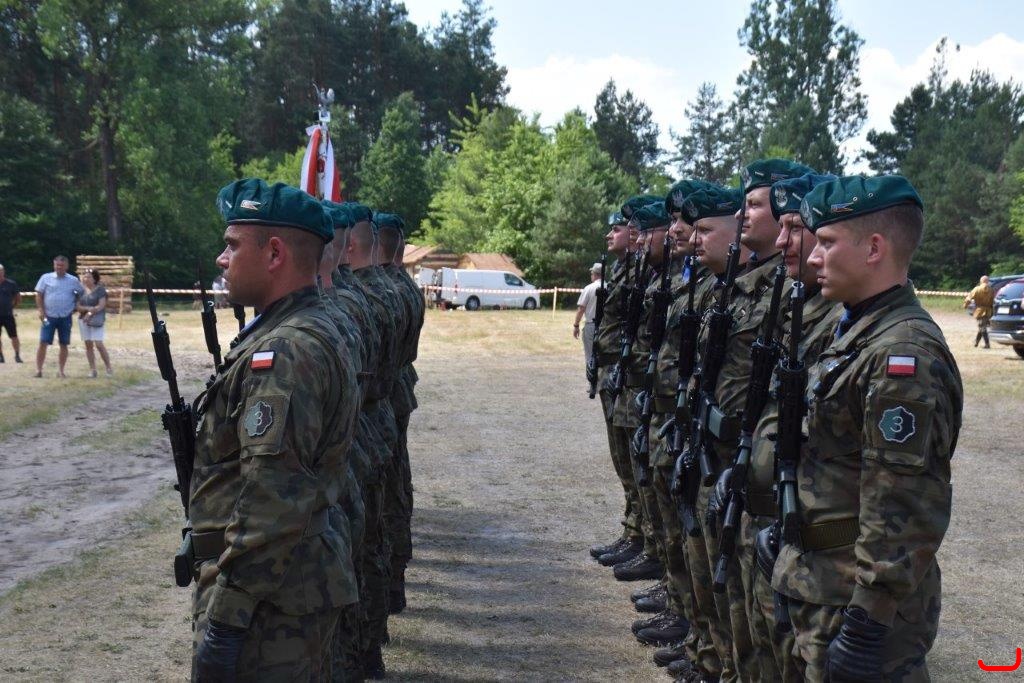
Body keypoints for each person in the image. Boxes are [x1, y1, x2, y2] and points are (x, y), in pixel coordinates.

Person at [772, 174, 963, 681]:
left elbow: (904, 505)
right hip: (822, 583)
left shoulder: (903, 355)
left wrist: (866, 623)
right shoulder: (860, 331)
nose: (814, 257)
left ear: (874, 248)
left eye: (828, 243)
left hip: (856, 605)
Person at [189, 178, 360, 681]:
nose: (222, 258)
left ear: (275, 253)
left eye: (232, 244)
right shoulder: (300, 327)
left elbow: (272, 497)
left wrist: (225, 622)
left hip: (270, 604)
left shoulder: (285, 351)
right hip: (284, 587)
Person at [33, 255, 84, 378]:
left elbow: (81, 294)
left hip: (65, 317)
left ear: (67, 266)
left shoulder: (73, 280)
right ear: (54, 265)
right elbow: (39, 294)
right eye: (57, 265)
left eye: (61, 265)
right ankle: (39, 370)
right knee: (43, 342)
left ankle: (61, 371)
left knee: (64, 343)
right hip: (47, 317)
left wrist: (76, 306)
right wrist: (41, 310)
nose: (59, 267)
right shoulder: (45, 278)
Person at [76, 269, 113, 377]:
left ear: (94, 279)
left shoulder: (100, 290)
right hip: (83, 320)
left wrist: (90, 313)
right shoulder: (80, 290)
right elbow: (78, 306)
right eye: (85, 276)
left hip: (97, 320)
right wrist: (88, 309)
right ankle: (93, 370)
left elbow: (101, 305)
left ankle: (108, 367)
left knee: (99, 344)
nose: (86, 279)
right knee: (88, 345)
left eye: (89, 277)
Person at [573, 262, 603, 370]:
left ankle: (591, 378)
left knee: (590, 356)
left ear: (594, 274)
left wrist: (576, 325)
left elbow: (581, 309)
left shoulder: (589, 288)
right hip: (606, 326)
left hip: (591, 325)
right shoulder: (609, 287)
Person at [964, 275, 995, 348]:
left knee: (982, 327)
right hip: (988, 311)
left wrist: (965, 305)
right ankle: (976, 342)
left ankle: (987, 344)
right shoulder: (991, 290)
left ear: (981, 281)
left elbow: (969, 299)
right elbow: (992, 301)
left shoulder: (977, 289)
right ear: (987, 281)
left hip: (979, 311)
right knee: (982, 326)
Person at [0, 263, 23, 363]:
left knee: (14, 336)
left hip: (8, 315)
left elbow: (18, 298)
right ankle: (1, 356)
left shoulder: (11, 284)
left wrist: (12, 306)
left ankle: (17, 355)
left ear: (3, 272)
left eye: (0, 271)